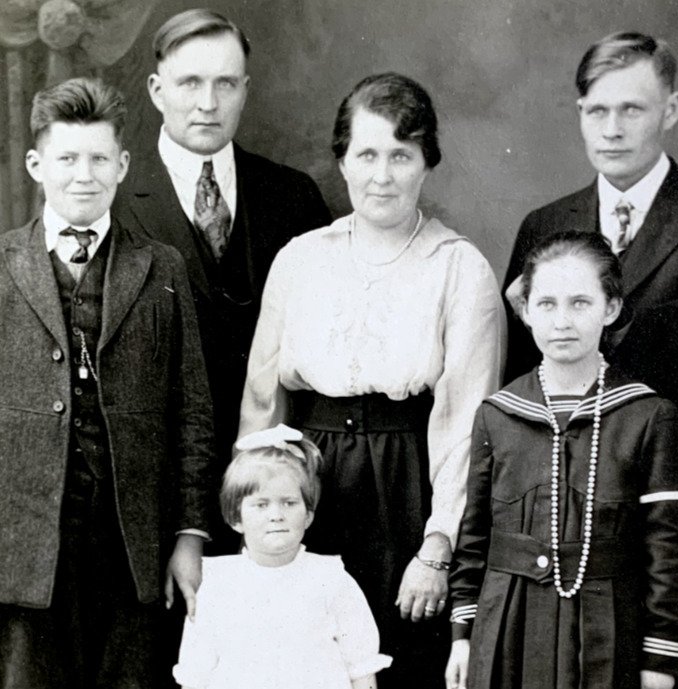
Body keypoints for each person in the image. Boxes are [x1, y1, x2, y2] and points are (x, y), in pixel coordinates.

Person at [239, 72, 505, 688]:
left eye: (400, 156)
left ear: (426, 164)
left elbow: (468, 427)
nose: (381, 175)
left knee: (398, 662)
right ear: (342, 161)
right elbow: (261, 403)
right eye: (366, 154)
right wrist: (260, 516)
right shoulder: (300, 258)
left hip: (407, 486)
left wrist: (438, 546)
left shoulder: (460, 267)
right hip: (308, 483)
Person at [0, 77, 216, 689]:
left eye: (99, 159)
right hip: (22, 551)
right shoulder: (1, 267)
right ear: (37, 164)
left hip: (132, 547)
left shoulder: (161, 268)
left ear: (122, 165)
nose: (83, 175)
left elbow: (193, 413)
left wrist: (190, 536)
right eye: (67, 158)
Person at [501, 33, 678, 683]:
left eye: (632, 110)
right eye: (596, 111)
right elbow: (518, 389)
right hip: (561, 532)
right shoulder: (545, 226)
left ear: (671, 109)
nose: (611, 129)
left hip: (674, 522)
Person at [113, 9, 331, 549]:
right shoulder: (113, 199)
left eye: (225, 84)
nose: (208, 104)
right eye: (190, 83)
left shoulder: (294, 196)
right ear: (157, 90)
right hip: (153, 491)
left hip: (274, 493)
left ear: (245, 89)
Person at [446, 231, 678, 689]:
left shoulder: (647, 415)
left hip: (606, 627)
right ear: (525, 311)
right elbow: (474, 536)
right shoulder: (498, 414)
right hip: (507, 624)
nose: (562, 321)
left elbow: (668, 551)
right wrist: (464, 635)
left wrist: (660, 661)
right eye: (546, 304)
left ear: (612, 308)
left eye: (580, 303)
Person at [173, 424, 392, 689]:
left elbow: (361, 663)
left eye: (289, 503)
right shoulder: (219, 583)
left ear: (308, 515)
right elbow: (197, 671)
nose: (276, 515)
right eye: (261, 505)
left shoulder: (330, 578)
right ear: (235, 518)